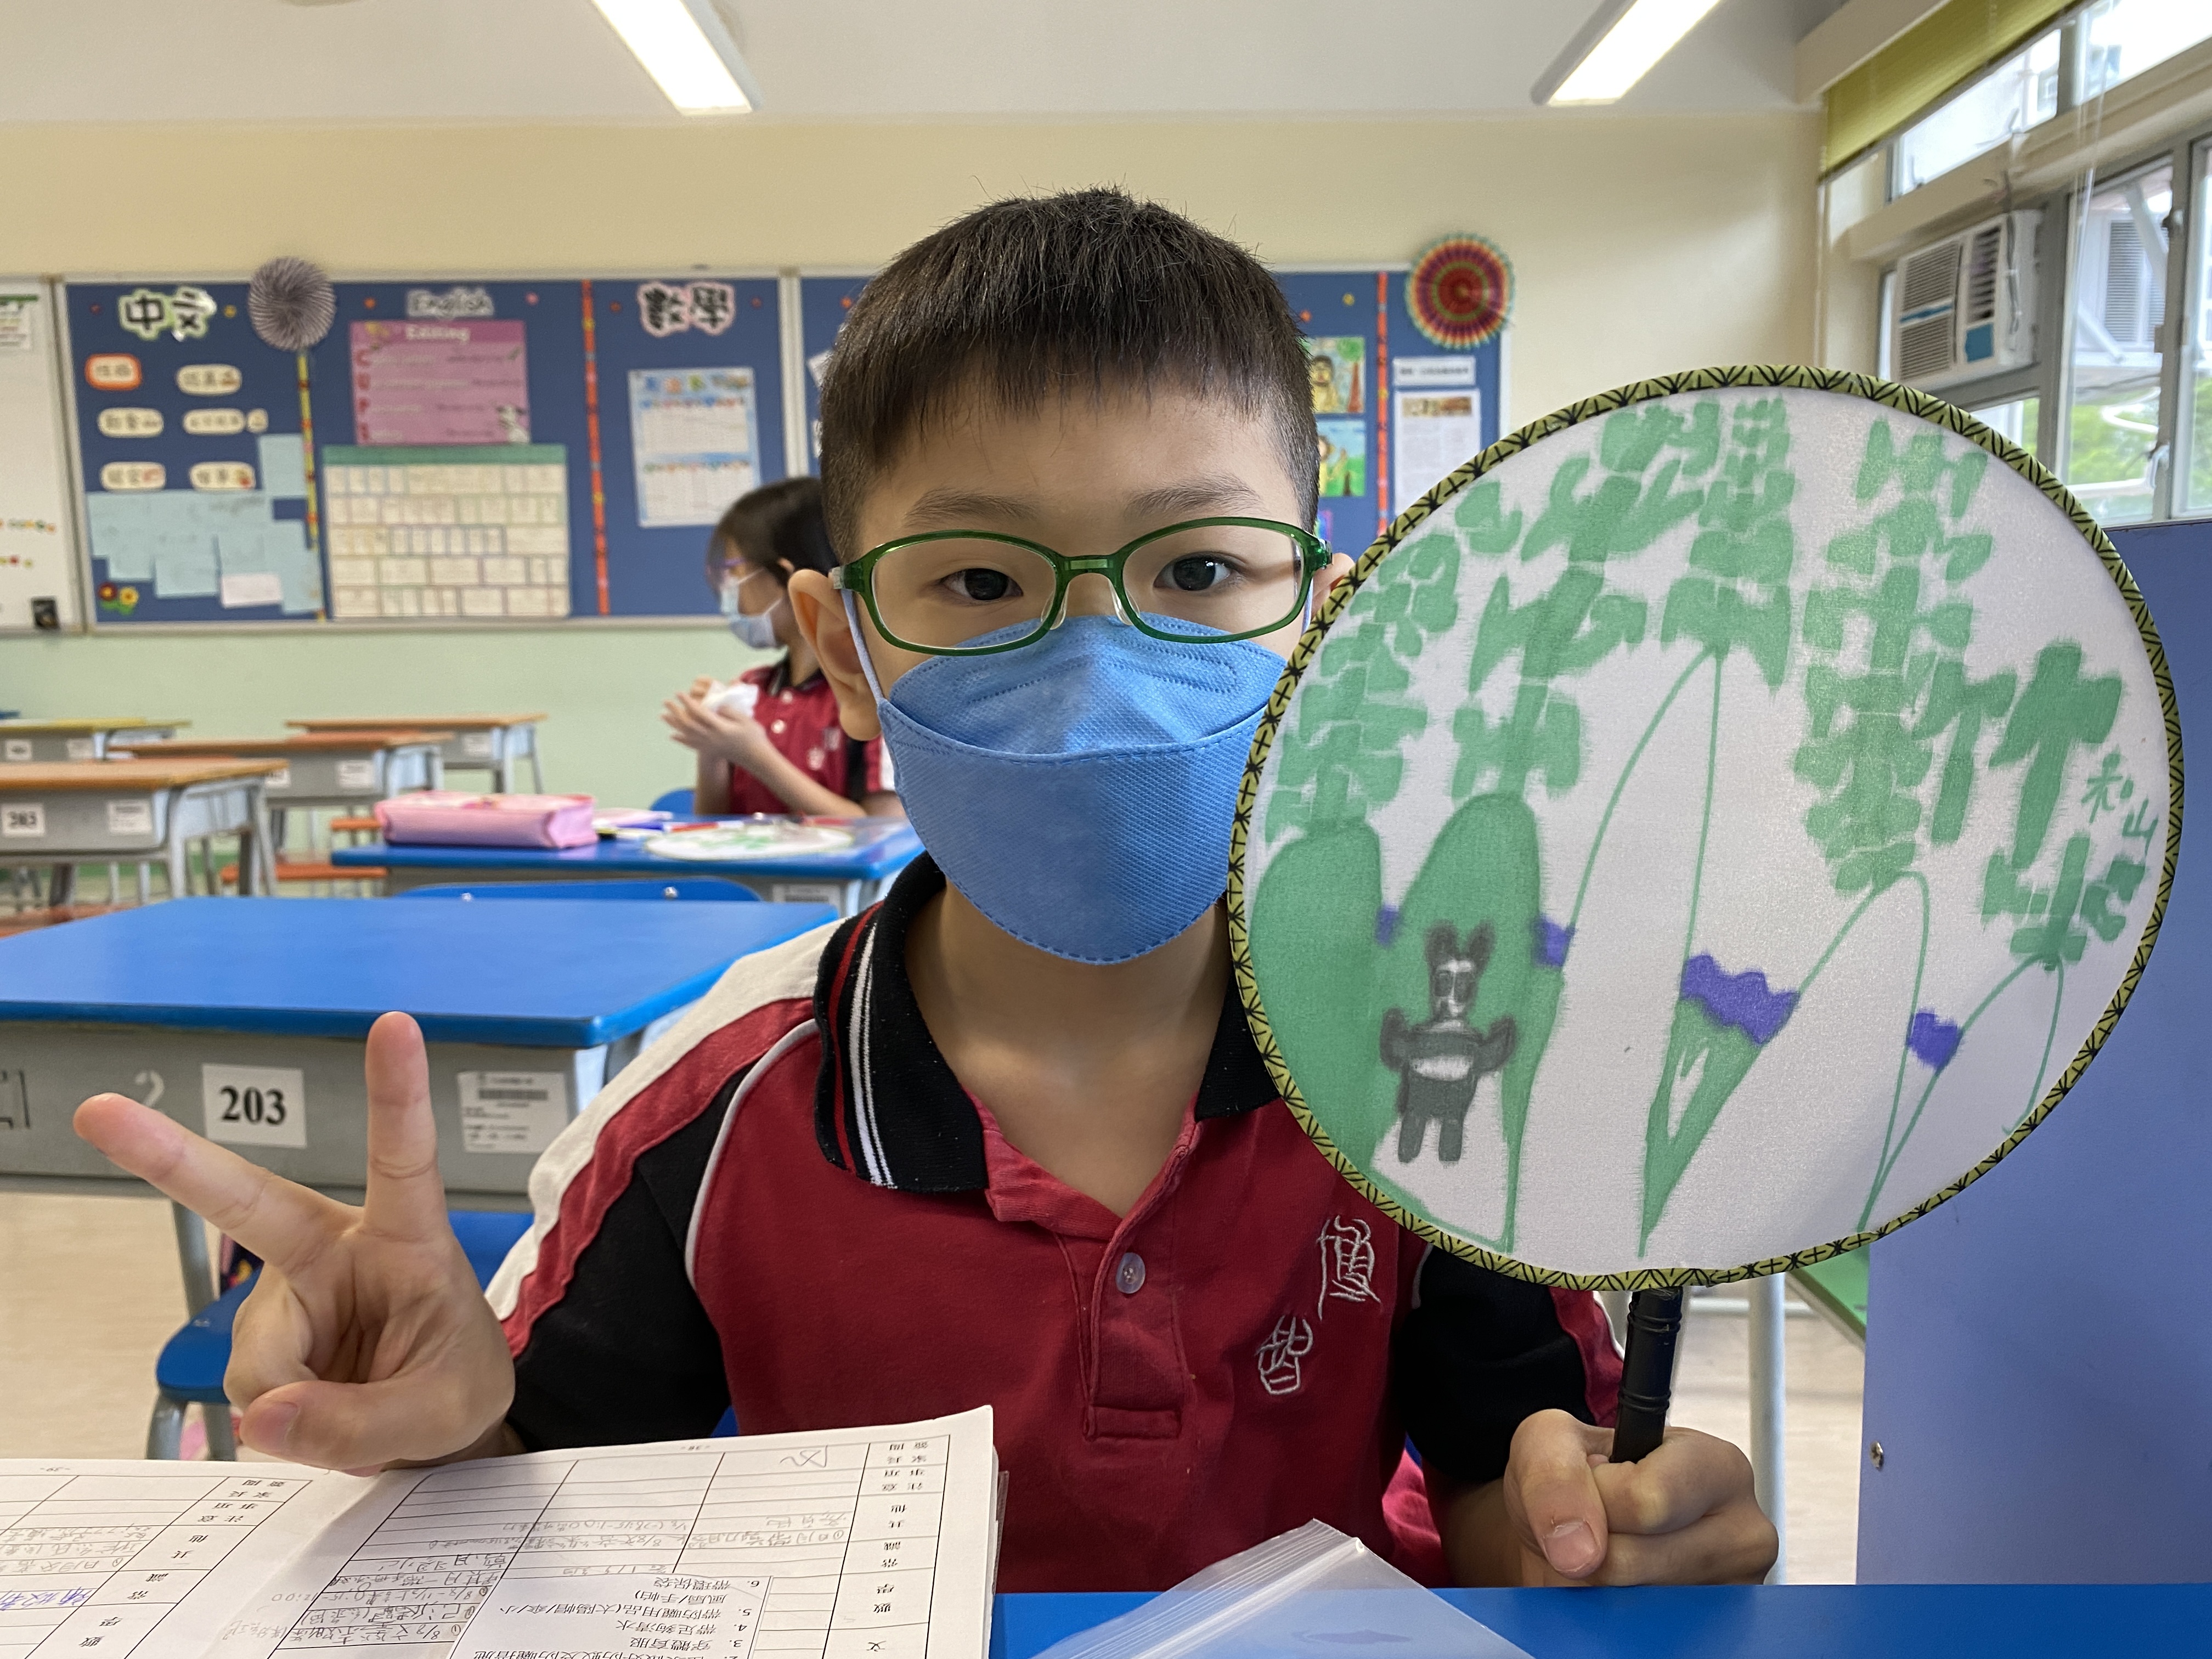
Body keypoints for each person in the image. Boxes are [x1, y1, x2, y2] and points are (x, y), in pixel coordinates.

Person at [72, 189, 1773, 1594]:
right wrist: (437, 1429)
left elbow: (1504, 1495)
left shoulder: (1428, 1067)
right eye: (977, 579)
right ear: (842, 647)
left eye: (1198, 568)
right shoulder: (721, 1109)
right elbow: (525, 1494)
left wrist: (1602, 1544)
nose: (1098, 665)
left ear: (1318, 624)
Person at [661, 477, 900, 818]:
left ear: (786, 578)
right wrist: (712, 744)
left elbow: (885, 829)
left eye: (735, 572)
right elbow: (712, 825)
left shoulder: (871, 695)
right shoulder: (753, 689)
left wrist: (756, 755)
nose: (730, 592)